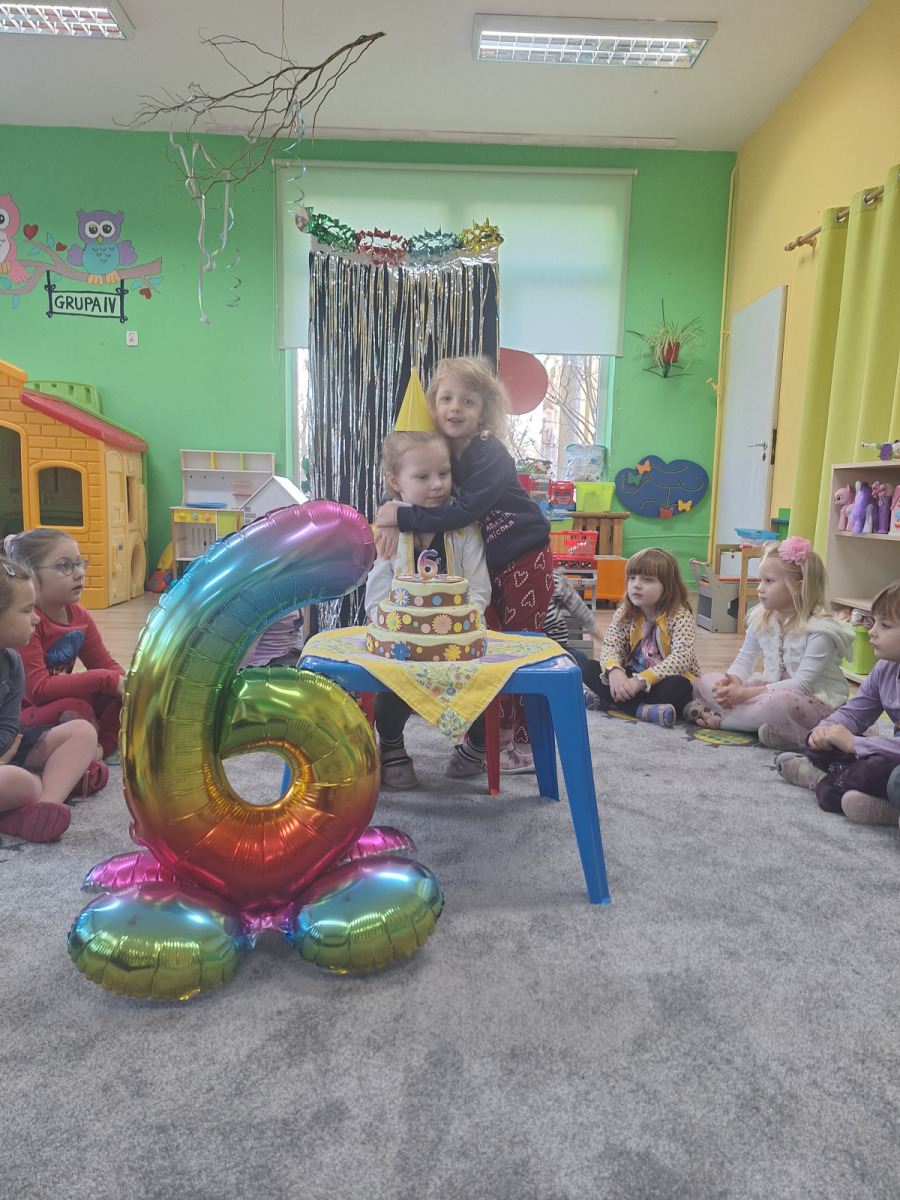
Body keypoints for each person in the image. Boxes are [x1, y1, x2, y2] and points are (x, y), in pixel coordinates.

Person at [375, 357, 553, 776]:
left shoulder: (489, 452)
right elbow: (418, 480)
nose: (455, 408)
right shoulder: (446, 453)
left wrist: (400, 516)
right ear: (433, 405)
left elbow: (463, 512)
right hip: (492, 562)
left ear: (484, 410)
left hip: (526, 557)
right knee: (490, 648)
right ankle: (487, 739)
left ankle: (524, 743)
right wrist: (392, 511)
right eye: (446, 399)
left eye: (468, 401)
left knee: (520, 652)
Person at [366, 430, 491, 789]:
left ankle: (476, 745)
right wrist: (387, 623)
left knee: (485, 684)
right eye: (422, 477)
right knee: (391, 683)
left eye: (444, 473)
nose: (437, 484)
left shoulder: (464, 529)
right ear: (395, 481)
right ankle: (392, 745)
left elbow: (479, 587)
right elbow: (376, 591)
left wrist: (461, 623)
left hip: (458, 642)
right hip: (402, 642)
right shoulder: (390, 532)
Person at [685, 537, 854, 748]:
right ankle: (767, 727)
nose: (759, 588)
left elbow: (802, 684)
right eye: (759, 580)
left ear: (798, 587)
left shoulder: (820, 630)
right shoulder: (762, 618)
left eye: (769, 581)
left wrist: (744, 695)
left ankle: (729, 722)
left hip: (812, 700)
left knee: (780, 703)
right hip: (767, 689)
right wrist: (731, 683)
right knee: (709, 681)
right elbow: (744, 661)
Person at [776, 579, 900, 825]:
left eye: (885, 625)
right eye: (873, 622)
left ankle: (826, 781)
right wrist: (826, 730)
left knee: (887, 773)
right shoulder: (885, 668)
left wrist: (855, 744)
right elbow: (855, 713)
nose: (872, 631)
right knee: (819, 745)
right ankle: (847, 781)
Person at [0, 556, 105, 843]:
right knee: (24, 784)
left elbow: (8, 727)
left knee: (82, 732)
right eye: (26, 610)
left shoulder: (12, 663)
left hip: (7, 751)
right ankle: (28, 804)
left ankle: (42, 808)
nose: (36, 618)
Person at [5, 529, 126, 762]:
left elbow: (105, 664)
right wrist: (107, 680)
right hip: (22, 715)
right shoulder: (26, 623)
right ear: (31, 575)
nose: (79, 573)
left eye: (79, 563)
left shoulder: (80, 617)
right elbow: (38, 691)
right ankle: (83, 744)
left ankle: (100, 748)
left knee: (122, 698)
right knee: (77, 708)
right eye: (65, 566)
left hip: (60, 707)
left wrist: (132, 687)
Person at [581, 547, 698, 727]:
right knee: (588, 668)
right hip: (630, 678)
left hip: (662, 681)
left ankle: (613, 702)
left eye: (647, 579)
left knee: (681, 688)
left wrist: (641, 681)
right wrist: (614, 672)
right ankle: (642, 710)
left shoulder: (680, 616)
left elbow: (681, 658)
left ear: (667, 586)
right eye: (632, 578)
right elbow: (611, 646)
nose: (636, 585)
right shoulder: (625, 613)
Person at [542, 567, 596, 661]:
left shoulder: (553, 578)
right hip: (522, 650)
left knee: (583, 660)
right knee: (582, 660)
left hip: (556, 649)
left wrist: (607, 644)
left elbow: (583, 614)